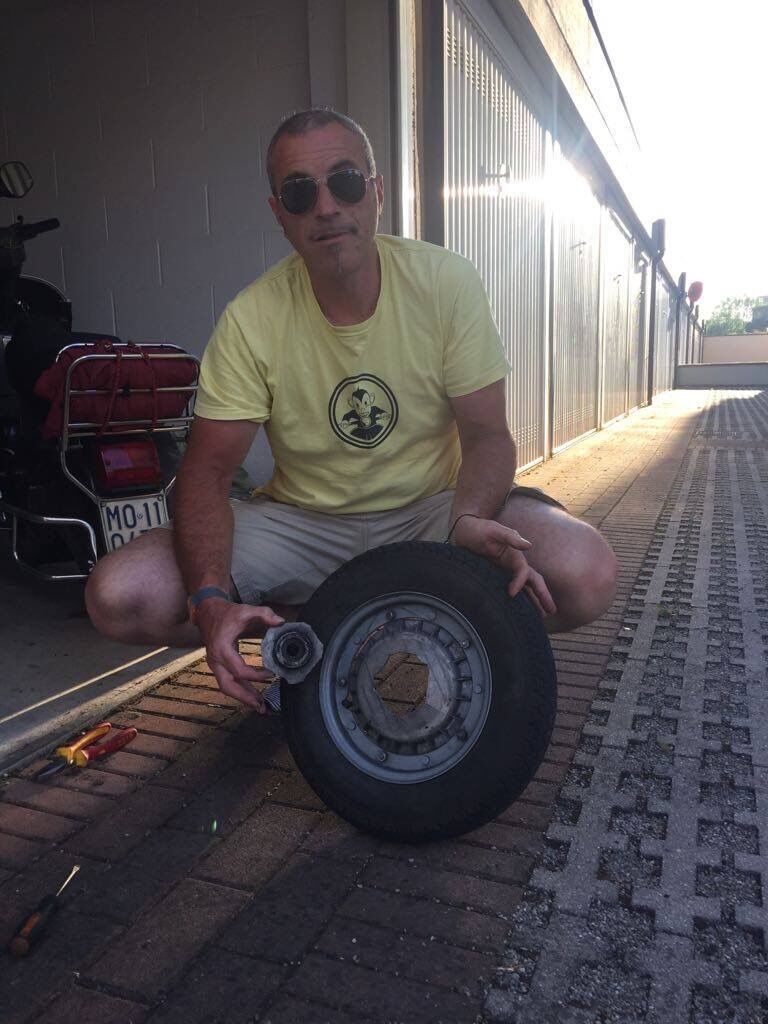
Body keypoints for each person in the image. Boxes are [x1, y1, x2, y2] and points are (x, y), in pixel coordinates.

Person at [85, 108, 617, 713]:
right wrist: (208, 601)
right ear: (279, 214)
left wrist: (469, 517)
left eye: (345, 182)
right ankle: (327, 630)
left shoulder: (445, 282)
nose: (326, 207)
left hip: (435, 509)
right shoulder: (251, 319)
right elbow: (205, 473)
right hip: (302, 524)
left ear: (377, 192)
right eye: (299, 193)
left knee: (585, 571)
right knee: (121, 593)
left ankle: (396, 623)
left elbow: (488, 435)